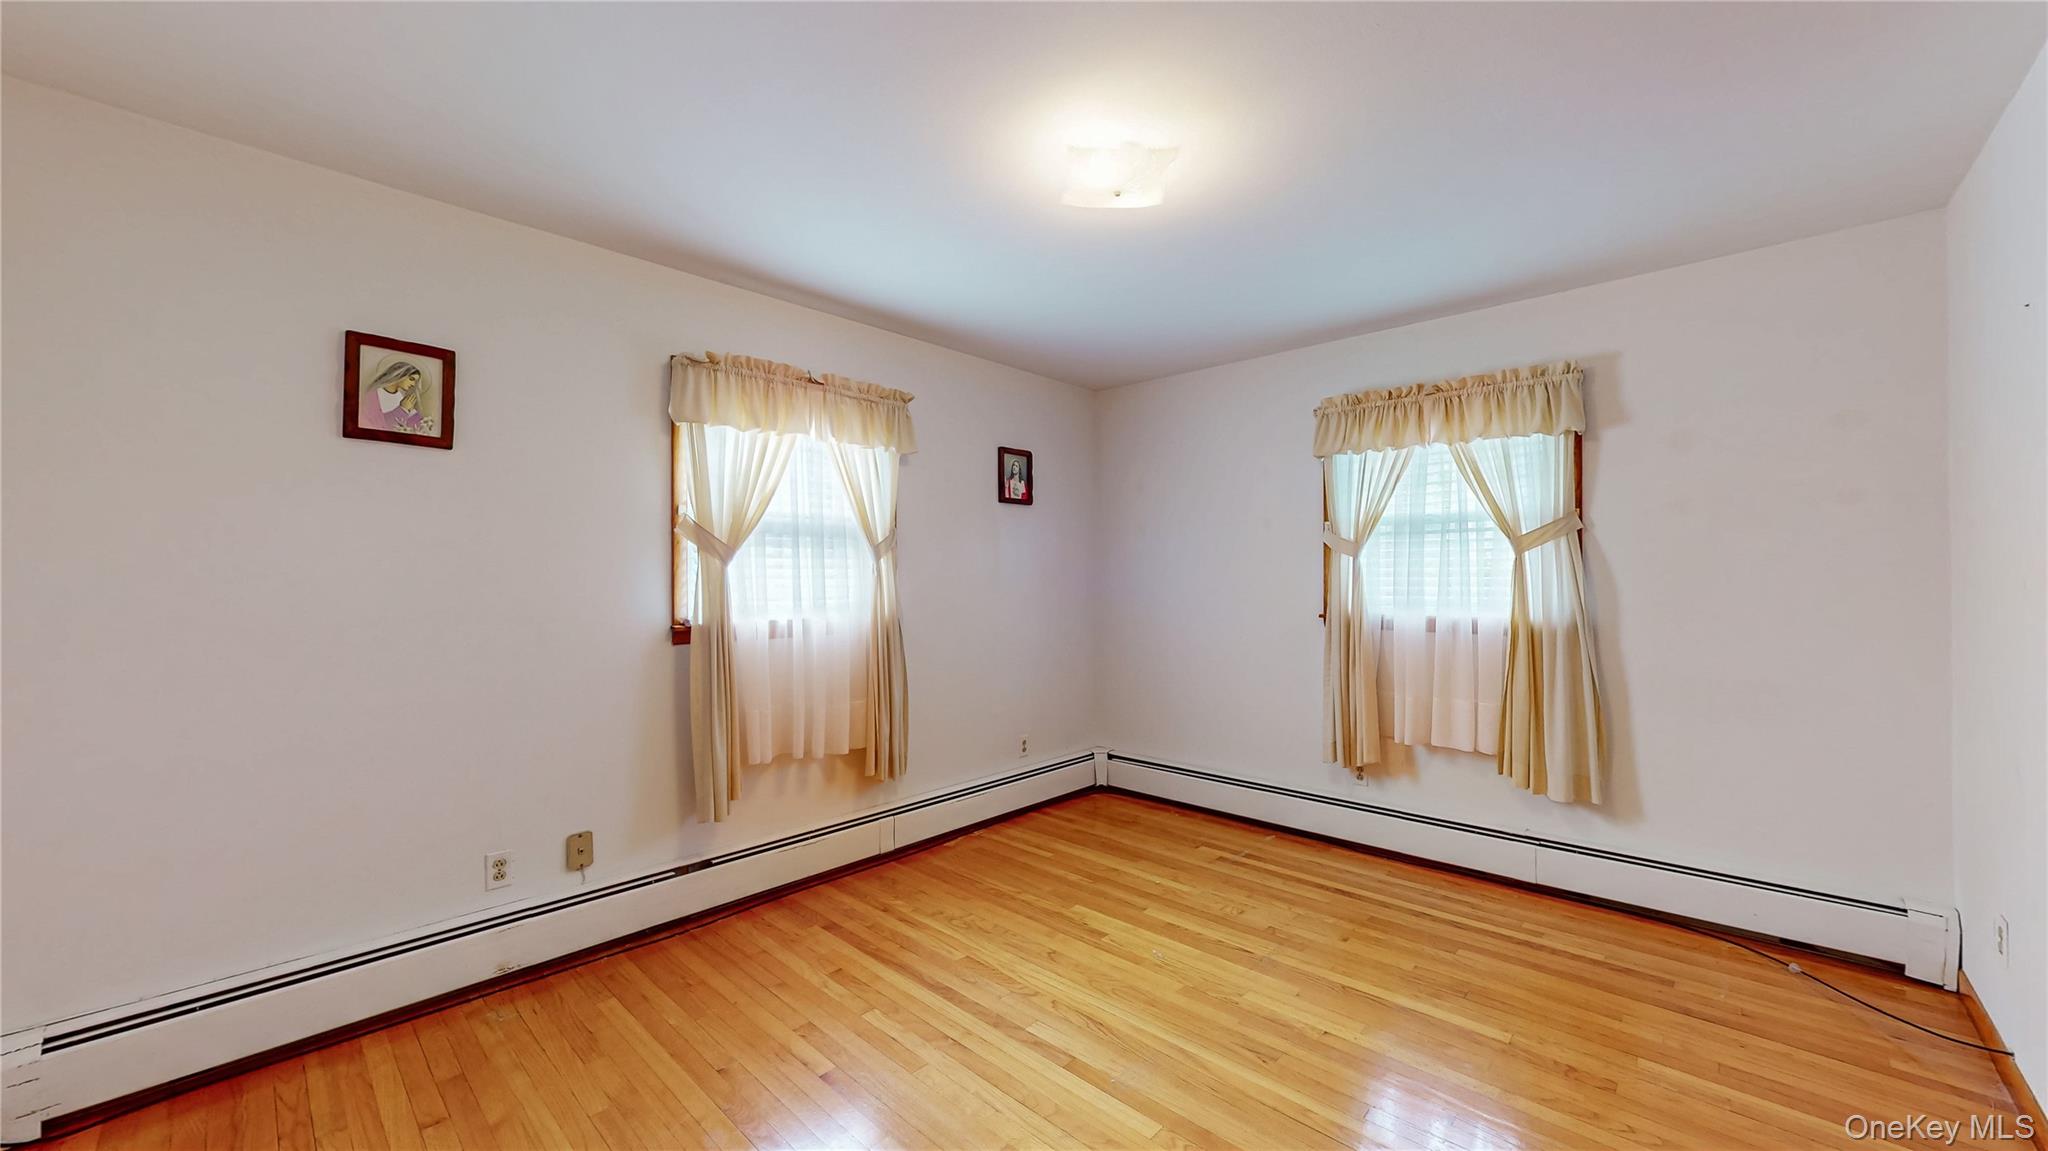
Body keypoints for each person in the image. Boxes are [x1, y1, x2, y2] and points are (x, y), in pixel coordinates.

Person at [360, 354, 433, 433]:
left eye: (416, 381)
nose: (413, 384)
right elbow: (379, 425)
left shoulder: (401, 397)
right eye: (411, 379)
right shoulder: (373, 395)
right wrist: (402, 409)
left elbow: (415, 425)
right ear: (400, 374)